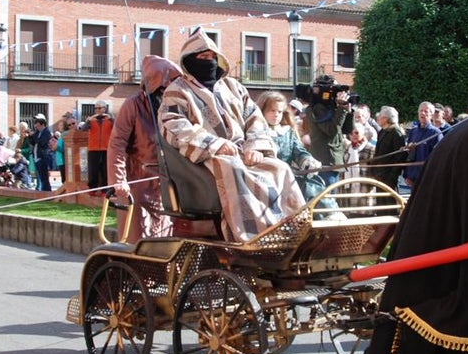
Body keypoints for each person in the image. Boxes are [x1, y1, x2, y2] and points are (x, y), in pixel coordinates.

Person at [158, 30, 304, 242]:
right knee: (232, 169)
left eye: (211, 57)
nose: (208, 62)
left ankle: (294, 229)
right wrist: (215, 144)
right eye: (202, 57)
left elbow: (254, 117)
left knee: (280, 168)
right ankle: (253, 236)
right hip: (206, 159)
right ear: (190, 60)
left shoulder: (233, 87)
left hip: (244, 151)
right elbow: (174, 125)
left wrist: (254, 147)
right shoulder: (177, 90)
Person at [108, 54, 178, 242]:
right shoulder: (133, 105)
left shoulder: (176, 108)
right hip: (137, 184)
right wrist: (118, 180)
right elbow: (117, 143)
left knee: (167, 240)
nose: (167, 93)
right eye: (163, 89)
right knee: (137, 239)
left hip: (167, 185)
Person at [258, 90, 326, 202]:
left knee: (313, 183)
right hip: (263, 179)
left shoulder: (287, 132)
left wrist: (307, 161)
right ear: (262, 111)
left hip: (287, 178)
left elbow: (298, 150)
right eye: (272, 110)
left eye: (279, 111)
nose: (276, 115)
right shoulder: (256, 132)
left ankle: (328, 215)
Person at [305, 83, 353, 187]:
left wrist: (347, 111)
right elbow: (332, 130)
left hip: (332, 161)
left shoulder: (332, 108)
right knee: (327, 199)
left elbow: (347, 129)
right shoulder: (318, 108)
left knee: (331, 198)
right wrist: (341, 109)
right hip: (325, 163)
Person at [403, 102, 443, 190]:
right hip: (413, 177)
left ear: (431, 114)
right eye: (421, 111)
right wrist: (407, 175)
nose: (423, 113)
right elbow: (409, 155)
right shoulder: (413, 132)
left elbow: (438, 158)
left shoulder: (435, 133)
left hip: (427, 178)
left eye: (426, 111)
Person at [80, 99, 114, 195]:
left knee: (105, 170)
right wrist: (88, 121)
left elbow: (117, 127)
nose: (98, 110)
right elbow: (83, 129)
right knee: (93, 169)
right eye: (96, 108)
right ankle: (92, 188)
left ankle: (105, 190)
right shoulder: (92, 120)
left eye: (100, 108)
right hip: (93, 148)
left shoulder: (110, 120)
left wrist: (111, 118)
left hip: (106, 148)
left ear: (105, 108)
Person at [372, 105, 407, 192]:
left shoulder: (396, 133)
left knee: (390, 203)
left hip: (389, 177)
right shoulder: (382, 131)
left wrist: (392, 176)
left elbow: (399, 156)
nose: (378, 118)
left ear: (386, 119)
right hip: (380, 174)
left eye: (380, 116)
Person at [30, 114, 55, 192]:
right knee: (40, 175)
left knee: (44, 176)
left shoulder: (47, 132)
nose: (37, 128)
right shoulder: (37, 133)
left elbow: (42, 143)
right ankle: (42, 190)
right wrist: (30, 136)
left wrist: (35, 137)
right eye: (36, 127)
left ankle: (46, 191)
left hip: (43, 157)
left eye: (38, 126)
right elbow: (33, 143)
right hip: (36, 156)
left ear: (42, 124)